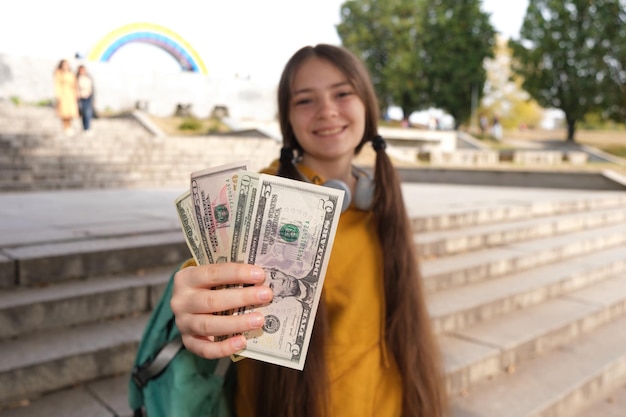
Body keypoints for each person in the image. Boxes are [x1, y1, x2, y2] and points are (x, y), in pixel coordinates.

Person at [170, 44, 448, 417]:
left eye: (342, 93)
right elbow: (211, 272)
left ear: (367, 103)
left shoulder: (379, 199)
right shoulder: (259, 200)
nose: (327, 111)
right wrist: (197, 303)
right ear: (287, 120)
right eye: (305, 100)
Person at [53, 59, 79, 136]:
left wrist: (76, 92)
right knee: (64, 112)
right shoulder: (59, 73)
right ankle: (65, 127)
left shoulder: (71, 73)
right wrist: (58, 95)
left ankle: (69, 126)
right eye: (65, 64)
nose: (66, 66)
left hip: (71, 94)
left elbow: (75, 84)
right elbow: (57, 84)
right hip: (63, 94)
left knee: (71, 111)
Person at [76, 64, 95, 135]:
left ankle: (88, 128)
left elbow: (92, 88)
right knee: (84, 113)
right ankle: (85, 128)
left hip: (88, 97)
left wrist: (92, 97)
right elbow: (76, 88)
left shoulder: (88, 78)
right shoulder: (78, 78)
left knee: (88, 113)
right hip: (82, 97)